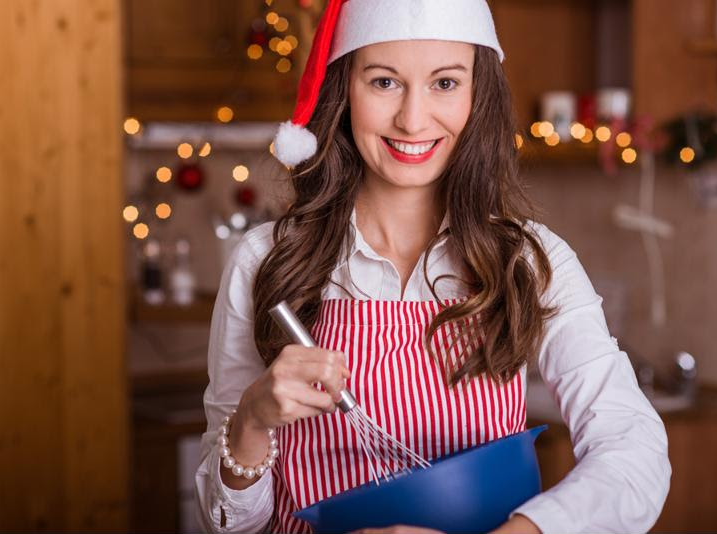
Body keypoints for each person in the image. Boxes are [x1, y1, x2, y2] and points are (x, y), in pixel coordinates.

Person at [195, 0, 671, 532]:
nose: (413, 119)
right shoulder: (266, 261)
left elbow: (634, 448)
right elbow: (228, 525)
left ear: (477, 95)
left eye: (445, 83)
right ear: (344, 90)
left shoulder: (531, 261)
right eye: (383, 82)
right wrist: (253, 421)